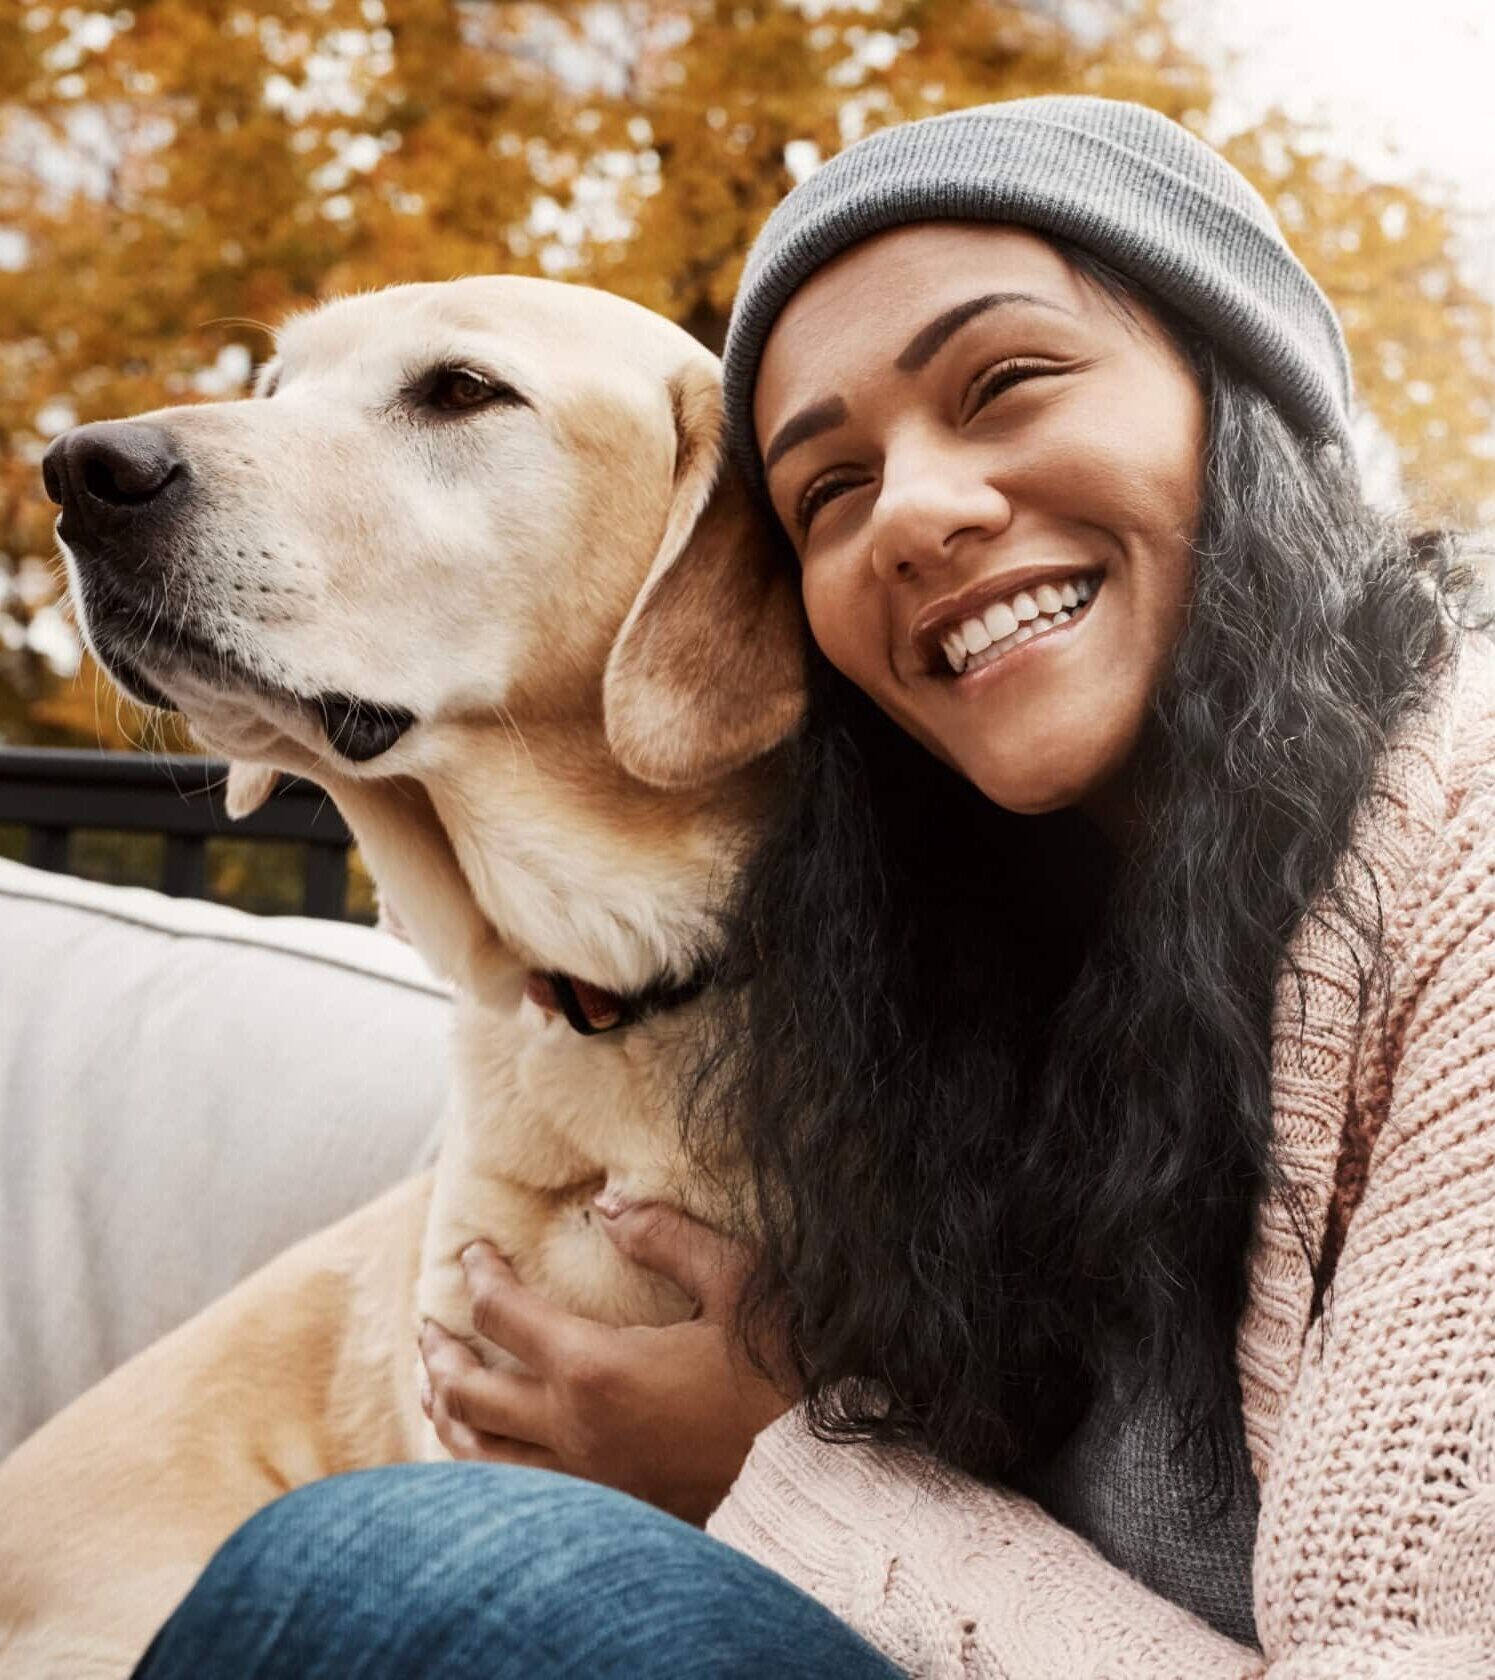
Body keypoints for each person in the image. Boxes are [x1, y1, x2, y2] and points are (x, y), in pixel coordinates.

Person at [133, 96, 1494, 1678]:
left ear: (1245, 402)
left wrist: (779, 1472)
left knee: (411, 1568)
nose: (914, 508)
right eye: (827, 492)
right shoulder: (928, 946)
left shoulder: (1461, 864)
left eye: (1007, 382)